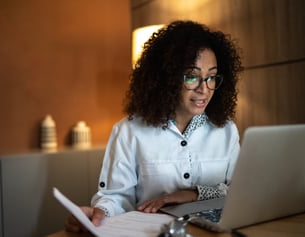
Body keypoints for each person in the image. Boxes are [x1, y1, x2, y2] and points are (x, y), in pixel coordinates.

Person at [65, 20, 243, 232]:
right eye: (192, 77)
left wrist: (194, 194)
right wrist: (101, 213)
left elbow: (240, 191)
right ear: (167, 78)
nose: (204, 89)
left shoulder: (226, 130)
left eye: (211, 77)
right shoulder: (129, 131)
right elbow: (115, 197)